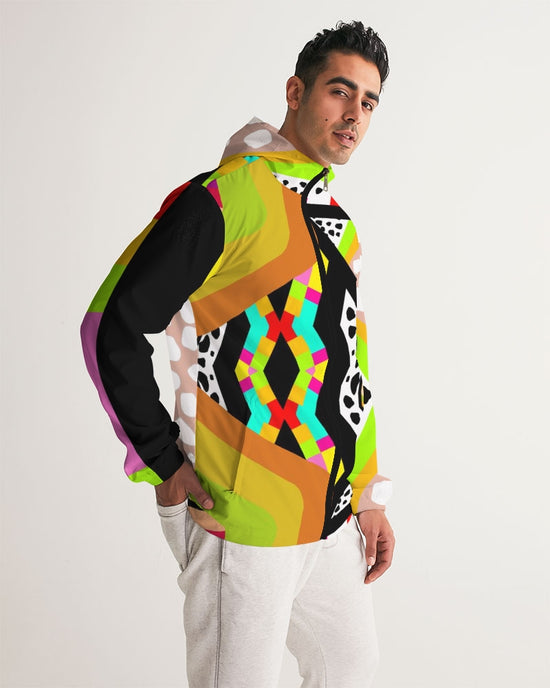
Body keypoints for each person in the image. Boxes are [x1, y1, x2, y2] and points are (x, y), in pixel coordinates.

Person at [81, 20, 395, 688]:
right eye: (340, 91)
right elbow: (111, 327)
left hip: (330, 514)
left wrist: (368, 493)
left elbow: (346, 365)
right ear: (295, 91)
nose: (354, 115)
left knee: (350, 668)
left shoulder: (336, 223)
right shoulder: (228, 195)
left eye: (368, 102)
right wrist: (161, 459)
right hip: (240, 517)